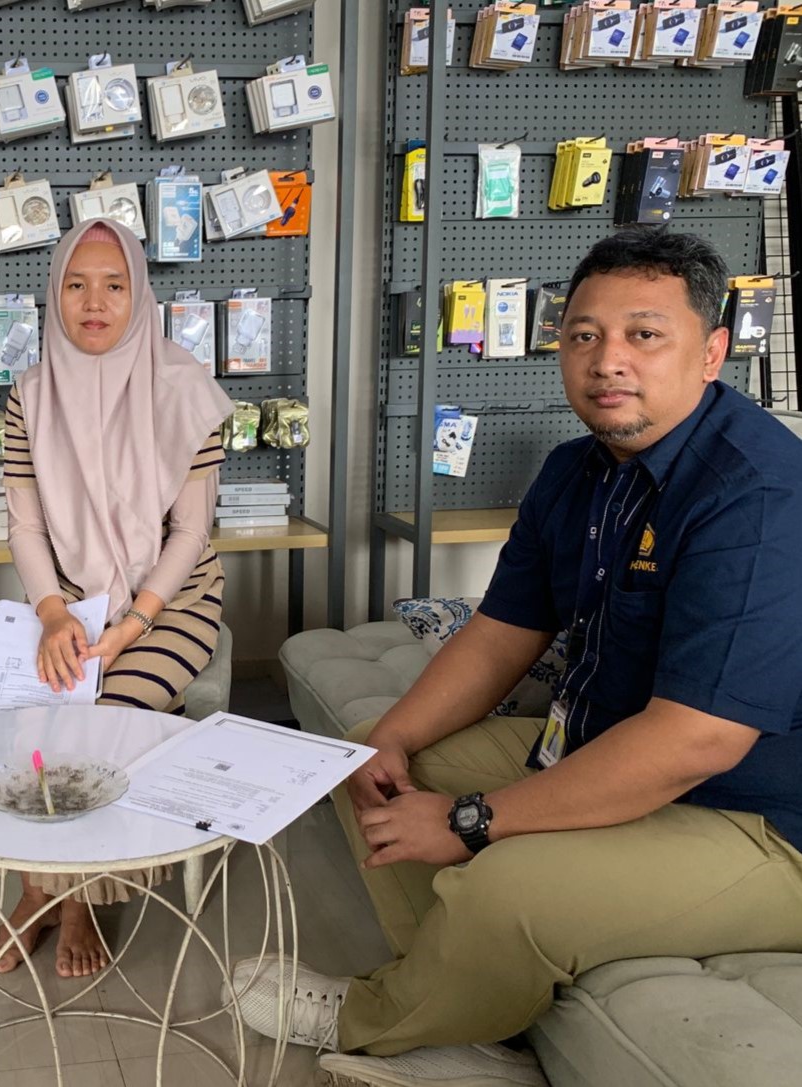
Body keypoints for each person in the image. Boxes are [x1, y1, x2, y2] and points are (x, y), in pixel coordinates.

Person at [233, 229, 802, 1087]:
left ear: (713, 351)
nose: (608, 360)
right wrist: (390, 737)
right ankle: (466, 1015)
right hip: (605, 745)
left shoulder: (756, 492)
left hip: (760, 820)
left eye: (645, 334)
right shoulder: (577, 470)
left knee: (508, 884)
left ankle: (380, 1022)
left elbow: (696, 741)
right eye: (584, 334)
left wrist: (471, 820)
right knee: (372, 763)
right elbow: (501, 632)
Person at [0, 219, 233, 979]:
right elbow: (25, 526)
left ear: (139, 293)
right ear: (53, 294)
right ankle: (40, 892)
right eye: (76, 284)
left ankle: (73, 900)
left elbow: (191, 533)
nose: (95, 303)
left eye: (114, 285)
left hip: (173, 603)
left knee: (102, 716)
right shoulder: (29, 396)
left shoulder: (187, 390)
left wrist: (133, 624)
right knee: (23, 717)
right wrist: (54, 612)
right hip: (71, 601)